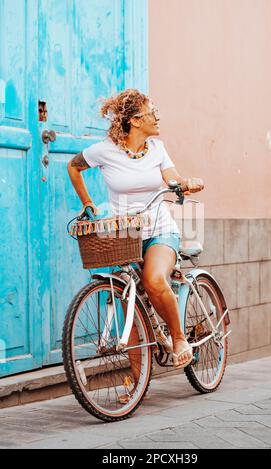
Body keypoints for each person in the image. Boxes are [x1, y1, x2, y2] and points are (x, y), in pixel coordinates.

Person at [67, 89, 204, 368]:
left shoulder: (157, 148)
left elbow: (171, 177)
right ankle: (135, 383)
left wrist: (184, 183)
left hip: (159, 231)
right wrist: (88, 203)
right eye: (153, 112)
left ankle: (179, 338)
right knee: (128, 299)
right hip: (125, 235)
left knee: (154, 281)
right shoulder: (105, 150)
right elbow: (73, 166)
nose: (158, 117)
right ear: (136, 120)